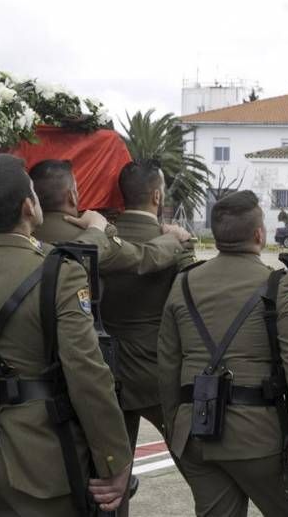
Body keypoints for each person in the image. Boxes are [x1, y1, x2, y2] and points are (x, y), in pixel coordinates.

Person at [0, 154, 131, 516]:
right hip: (39, 463)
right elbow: (87, 375)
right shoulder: (60, 274)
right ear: (29, 207)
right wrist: (115, 461)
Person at [158, 190, 288, 517]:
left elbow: (167, 364)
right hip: (256, 437)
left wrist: (174, 426)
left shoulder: (184, 283)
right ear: (259, 235)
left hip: (195, 434)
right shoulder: (280, 285)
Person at [101, 160, 196, 454]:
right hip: (155, 369)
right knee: (191, 458)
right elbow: (189, 303)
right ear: (157, 196)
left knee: (113, 469)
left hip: (105, 367)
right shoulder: (173, 241)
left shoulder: (101, 239)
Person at [28, 159, 191, 272]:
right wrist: (175, 239)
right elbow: (141, 257)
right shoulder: (92, 237)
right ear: (72, 196)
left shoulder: (20, 232)